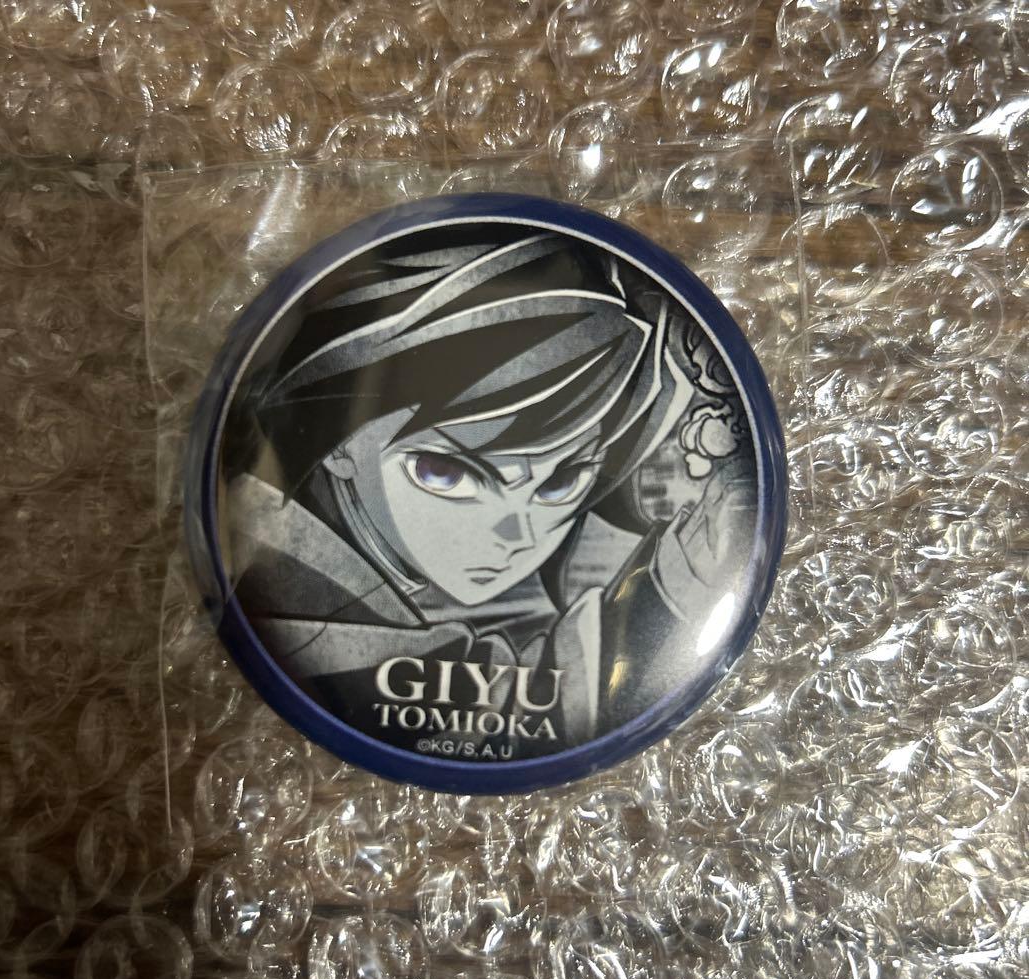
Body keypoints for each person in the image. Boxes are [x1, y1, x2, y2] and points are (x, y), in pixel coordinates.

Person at [220, 223, 755, 756]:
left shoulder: (290, 551)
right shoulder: (284, 579)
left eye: (562, 481)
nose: (516, 536)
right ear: (337, 440)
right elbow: (497, 714)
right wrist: (668, 594)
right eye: (443, 472)